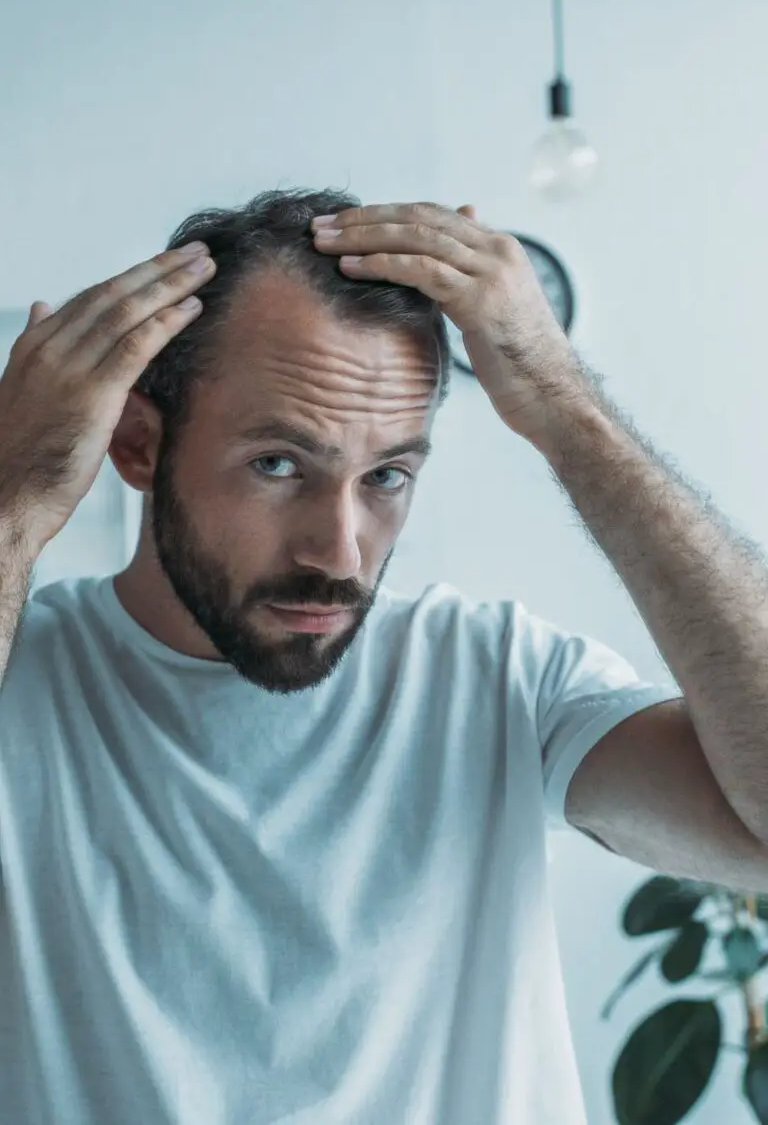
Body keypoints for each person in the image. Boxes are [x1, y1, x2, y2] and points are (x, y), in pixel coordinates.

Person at [0, 188, 766, 1125]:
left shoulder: (495, 676)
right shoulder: (21, 675)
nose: (343, 553)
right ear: (135, 445)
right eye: (278, 465)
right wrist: (16, 503)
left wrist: (566, 411)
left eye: (387, 477)